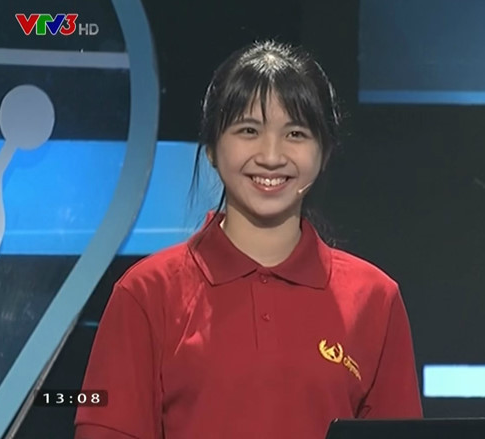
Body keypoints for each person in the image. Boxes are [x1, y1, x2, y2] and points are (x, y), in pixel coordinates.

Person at [74, 40, 422, 439]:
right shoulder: (146, 293)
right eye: (248, 131)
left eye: (295, 133)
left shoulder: (375, 299)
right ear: (211, 147)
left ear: (325, 152)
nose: (271, 156)